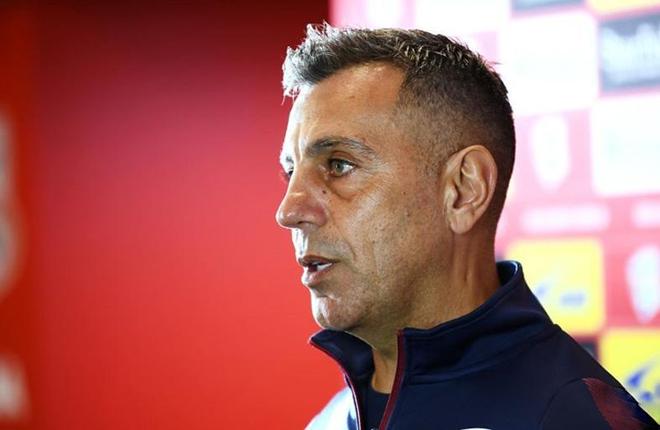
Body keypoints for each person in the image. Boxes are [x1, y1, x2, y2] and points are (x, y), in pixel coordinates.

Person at [275, 24, 658, 430]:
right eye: (290, 172)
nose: (288, 210)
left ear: (463, 190)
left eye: (338, 165)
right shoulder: (332, 419)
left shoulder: (572, 417)